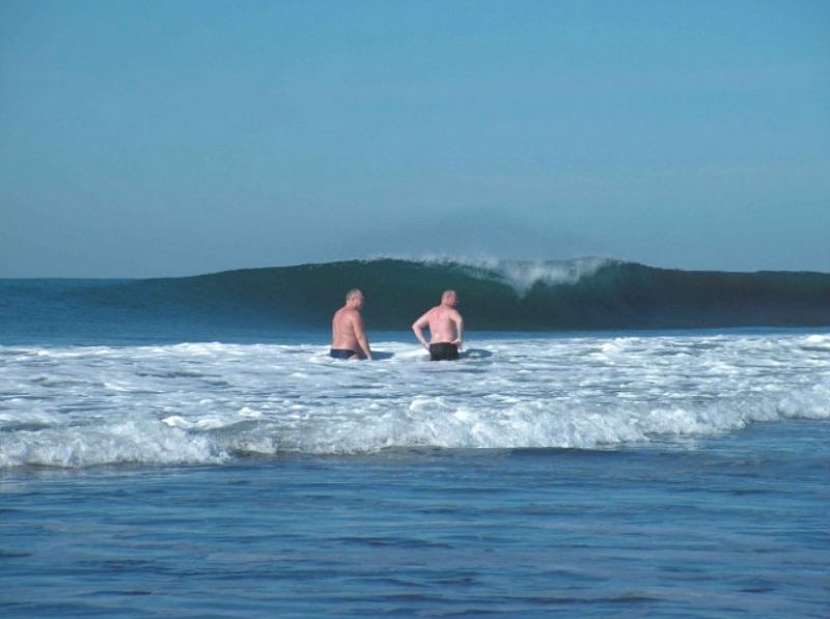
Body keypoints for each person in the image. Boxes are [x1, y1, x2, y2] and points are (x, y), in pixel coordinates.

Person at [412, 290, 464, 361]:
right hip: (448, 346)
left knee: (436, 370)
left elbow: (415, 326)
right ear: (447, 298)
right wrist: (459, 338)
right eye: (455, 299)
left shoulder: (431, 311)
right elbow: (459, 320)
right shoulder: (451, 311)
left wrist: (424, 343)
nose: (457, 301)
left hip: (433, 347)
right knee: (452, 371)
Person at [330, 288, 373, 360]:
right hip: (348, 353)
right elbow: (360, 336)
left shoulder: (337, 313)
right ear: (353, 299)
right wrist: (369, 356)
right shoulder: (354, 314)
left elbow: (334, 335)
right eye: (361, 299)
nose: (363, 302)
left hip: (333, 351)